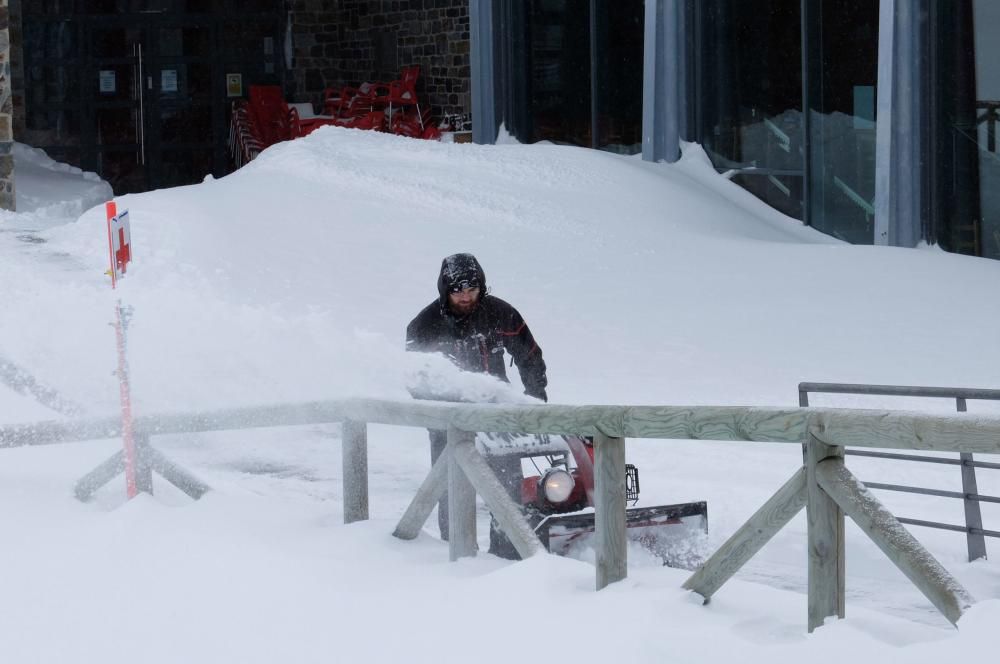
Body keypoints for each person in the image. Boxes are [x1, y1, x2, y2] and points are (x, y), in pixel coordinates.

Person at [406, 253, 547, 558]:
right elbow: (415, 379)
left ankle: (508, 551)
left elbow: (530, 356)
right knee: (452, 490)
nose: (467, 298)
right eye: (459, 292)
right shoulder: (424, 326)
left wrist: (535, 403)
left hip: (497, 421)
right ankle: (457, 551)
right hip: (448, 424)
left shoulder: (500, 314)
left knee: (507, 490)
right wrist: (438, 410)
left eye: (473, 291)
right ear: (446, 291)